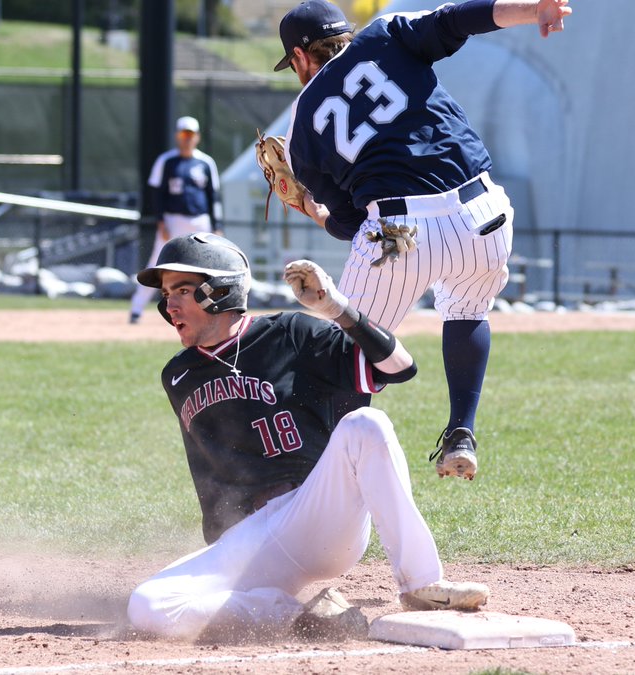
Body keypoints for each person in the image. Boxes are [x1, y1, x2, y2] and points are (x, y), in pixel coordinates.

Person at [126, 232, 490, 642]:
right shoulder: (178, 374)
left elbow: (398, 368)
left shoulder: (291, 334)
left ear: (220, 291)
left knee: (366, 425)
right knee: (149, 604)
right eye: (166, 294)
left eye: (183, 290)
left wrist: (338, 310)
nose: (168, 305)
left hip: (315, 513)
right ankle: (299, 614)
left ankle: (421, 584)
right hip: (250, 540)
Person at [272, 0, 572, 480]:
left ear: (301, 56)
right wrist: (531, 9)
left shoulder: (302, 124)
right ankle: (462, 431)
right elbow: (457, 19)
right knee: (467, 310)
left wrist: (314, 211)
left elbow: (352, 222)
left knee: (346, 356)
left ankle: (329, 478)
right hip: (482, 214)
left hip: (399, 232)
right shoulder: (384, 34)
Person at [129, 116, 223, 324]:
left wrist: (217, 226)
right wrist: (160, 221)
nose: (186, 139)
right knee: (157, 263)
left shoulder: (206, 163)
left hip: (200, 221)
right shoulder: (167, 161)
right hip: (173, 221)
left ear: (197, 137)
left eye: (190, 135)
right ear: (176, 136)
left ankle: (215, 308)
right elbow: (156, 194)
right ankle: (136, 309)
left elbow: (213, 197)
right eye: (183, 134)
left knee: (207, 267)